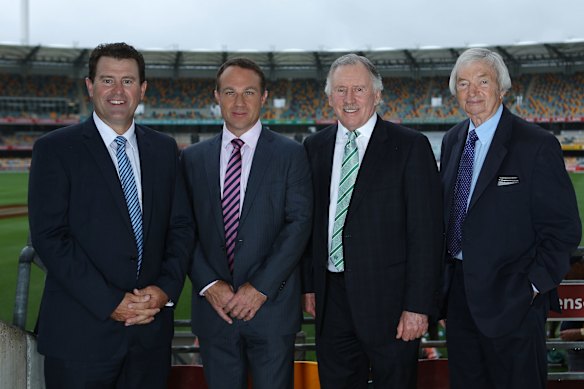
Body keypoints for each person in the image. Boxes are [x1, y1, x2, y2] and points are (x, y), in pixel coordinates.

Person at [28, 42, 194, 389]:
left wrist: (164, 290)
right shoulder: (55, 148)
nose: (118, 91)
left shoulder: (164, 149)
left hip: (149, 335)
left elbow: (180, 228)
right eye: (107, 80)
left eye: (128, 81)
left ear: (142, 88)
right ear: (90, 86)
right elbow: (50, 237)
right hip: (80, 337)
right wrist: (111, 302)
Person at [440, 47, 582, 389]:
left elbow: (564, 229)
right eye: (463, 83)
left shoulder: (535, 144)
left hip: (514, 303)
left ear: (501, 88)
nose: (472, 91)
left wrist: (531, 287)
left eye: (482, 81)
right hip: (459, 302)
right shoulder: (452, 140)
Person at [301, 53, 443, 389]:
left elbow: (427, 233)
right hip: (330, 302)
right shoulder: (313, 148)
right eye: (340, 90)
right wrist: (309, 284)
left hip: (392, 307)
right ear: (329, 96)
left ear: (377, 95)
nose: (349, 99)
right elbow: (309, 225)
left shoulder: (410, 146)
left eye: (359, 90)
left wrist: (417, 307)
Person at [181, 58, 312, 389]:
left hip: (271, 310)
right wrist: (210, 285)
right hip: (215, 311)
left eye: (249, 92)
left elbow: (298, 225)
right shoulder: (192, 159)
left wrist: (259, 288)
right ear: (216, 96)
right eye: (230, 92)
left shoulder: (291, 154)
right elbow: (182, 229)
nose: (239, 102)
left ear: (264, 96)